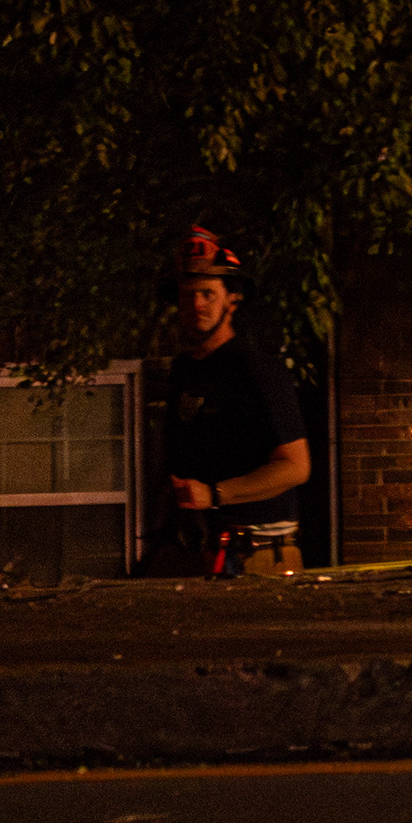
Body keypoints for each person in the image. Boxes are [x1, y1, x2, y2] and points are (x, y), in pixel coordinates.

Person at [150, 229, 313, 576]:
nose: (196, 305)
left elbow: (296, 466)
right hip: (193, 554)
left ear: (232, 301)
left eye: (208, 294)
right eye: (187, 295)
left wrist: (215, 493)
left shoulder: (257, 368)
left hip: (258, 557)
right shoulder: (183, 370)